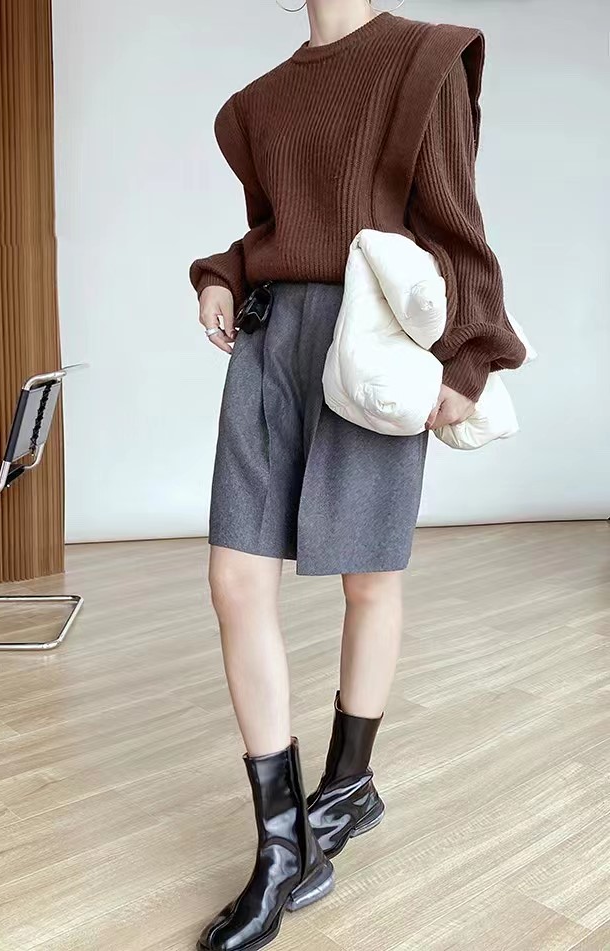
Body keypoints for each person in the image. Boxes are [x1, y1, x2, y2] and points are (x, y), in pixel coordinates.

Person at [189, 2, 526, 949]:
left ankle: (347, 785)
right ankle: (281, 844)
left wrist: (468, 359)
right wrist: (221, 274)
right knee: (234, 578)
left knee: (368, 577)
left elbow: (455, 224)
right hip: (269, 345)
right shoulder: (259, 102)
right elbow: (276, 229)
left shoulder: (425, 59)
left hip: (367, 347)